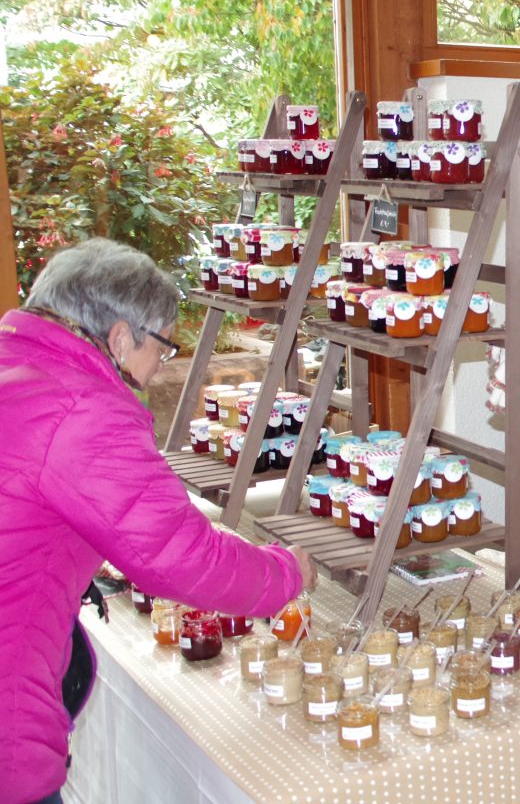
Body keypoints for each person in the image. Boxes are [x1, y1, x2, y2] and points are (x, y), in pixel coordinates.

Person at [0, 238, 317, 804]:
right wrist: (287, 573)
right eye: (163, 350)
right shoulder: (83, 408)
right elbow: (180, 558)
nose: (156, 370)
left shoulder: (17, 363)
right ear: (121, 338)